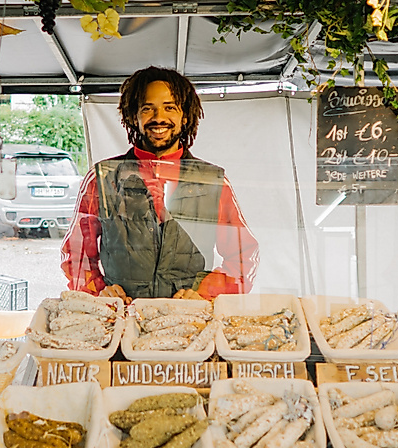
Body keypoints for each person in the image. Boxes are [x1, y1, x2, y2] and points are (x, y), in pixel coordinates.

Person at [61, 66, 259, 301]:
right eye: (148, 108)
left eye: (169, 107)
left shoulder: (211, 181)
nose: (159, 117)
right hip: (122, 314)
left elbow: (244, 256)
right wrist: (98, 291)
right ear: (133, 116)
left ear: (185, 116)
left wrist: (205, 294)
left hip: (188, 316)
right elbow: (76, 254)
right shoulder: (103, 178)